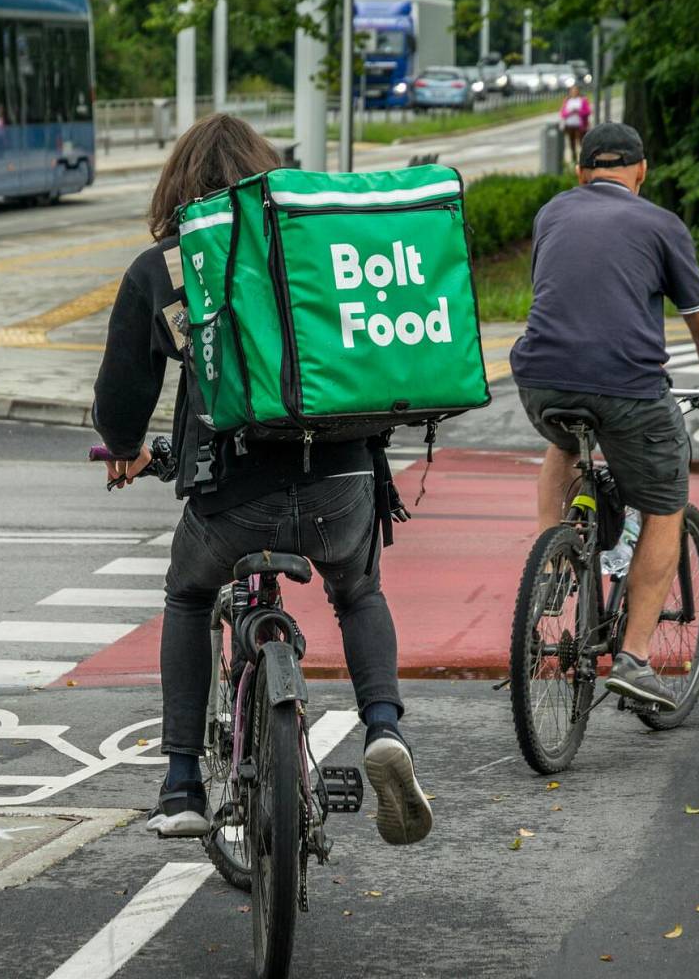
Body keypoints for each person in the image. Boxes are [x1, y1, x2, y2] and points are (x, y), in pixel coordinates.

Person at [91, 113, 433, 848]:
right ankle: (382, 727)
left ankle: (181, 784)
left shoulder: (170, 266)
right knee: (359, 590)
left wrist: (124, 447)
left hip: (231, 498)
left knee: (186, 595)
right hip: (341, 483)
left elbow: (121, 399)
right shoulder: (318, 247)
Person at [509, 122, 699, 711]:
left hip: (539, 381)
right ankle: (636, 659)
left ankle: (554, 557)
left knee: (564, 443)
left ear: (581, 173)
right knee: (666, 505)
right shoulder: (662, 225)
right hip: (627, 389)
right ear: (642, 172)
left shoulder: (551, 214)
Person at [559, 87, 592, 163]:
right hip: (570, 125)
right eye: (572, 91)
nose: (574, 93)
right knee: (572, 142)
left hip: (580, 125)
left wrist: (579, 111)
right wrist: (570, 112)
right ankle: (574, 158)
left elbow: (588, 111)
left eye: (575, 91)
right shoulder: (567, 101)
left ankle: (583, 159)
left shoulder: (582, 100)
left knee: (581, 142)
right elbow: (563, 113)